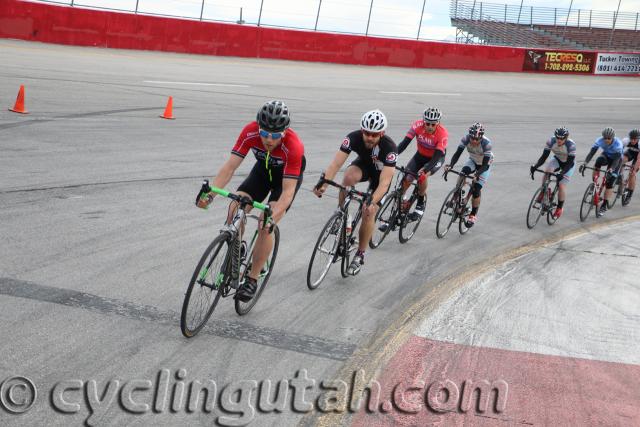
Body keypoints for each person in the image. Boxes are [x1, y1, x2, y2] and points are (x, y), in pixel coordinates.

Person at [196, 100, 305, 301]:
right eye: (264, 133)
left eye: (275, 135)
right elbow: (229, 168)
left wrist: (274, 216)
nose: (269, 140)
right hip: (262, 173)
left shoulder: (294, 147)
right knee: (235, 207)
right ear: (258, 128)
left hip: (285, 180)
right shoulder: (250, 132)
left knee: (265, 223)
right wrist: (209, 196)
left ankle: (253, 279)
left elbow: (288, 193)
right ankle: (237, 249)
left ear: (285, 132)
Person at [313, 110, 397, 276]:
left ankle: (360, 254)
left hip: (380, 179)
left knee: (369, 211)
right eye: (366, 133)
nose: (370, 138)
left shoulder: (390, 148)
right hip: (364, 166)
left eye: (374, 135)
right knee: (348, 178)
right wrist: (324, 183)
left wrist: (372, 200)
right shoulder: (353, 137)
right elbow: (335, 164)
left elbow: (385, 182)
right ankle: (341, 212)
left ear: (382, 133)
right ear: (361, 130)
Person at [396, 107, 448, 221]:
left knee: (422, 176)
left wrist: (425, 171)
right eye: (427, 123)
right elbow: (404, 143)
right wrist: (392, 155)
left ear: (438, 124)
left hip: (435, 159)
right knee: (407, 177)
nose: (430, 127)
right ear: (424, 121)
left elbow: (437, 156)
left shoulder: (442, 133)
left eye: (433, 124)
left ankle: (420, 202)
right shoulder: (417, 126)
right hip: (420, 155)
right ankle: (402, 201)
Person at [444, 122, 494, 228]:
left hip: (484, 166)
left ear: (481, 138)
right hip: (473, 160)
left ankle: (473, 215)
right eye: (473, 138)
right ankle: (456, 194)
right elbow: (457, 154)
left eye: (477, 139)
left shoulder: (486, 144)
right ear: (469, 136)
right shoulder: (465, 139)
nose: (475, 141)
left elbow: (485, 165)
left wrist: (477, 174)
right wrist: (451, 165)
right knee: (463, 172)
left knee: (476, 189)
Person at [529, 127, 577, 219]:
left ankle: (559, 207)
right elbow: (543, 157)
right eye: (557, 137)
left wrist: (562, 173)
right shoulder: (551, 141)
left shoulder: (571, 145)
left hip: (568, 165)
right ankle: (544, 191)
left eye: (562, 138)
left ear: (566, 138)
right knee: (547, 171)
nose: (559, 140)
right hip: (557, 160)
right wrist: (535, 166)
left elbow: (570, 163)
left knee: (561, 185)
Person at [579, 127, 624, 217]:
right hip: (606, 155)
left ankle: (604, 205)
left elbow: (617, 160)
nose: (606, 140)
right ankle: (595, 184)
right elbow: (591, 153)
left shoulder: (618, 144)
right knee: (598, 161)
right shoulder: (600, 140)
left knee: (609, 183)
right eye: (605, 138)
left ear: (613, 138)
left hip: (616, 160)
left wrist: (611, 169)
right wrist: (585, 163)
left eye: (609, 138)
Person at [621, 128, 639, 205]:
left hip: (638, 156)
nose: (633, 141)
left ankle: (629, 195)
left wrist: (634, 170)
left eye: (635, 139)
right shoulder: (625, 140)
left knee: (632, 174)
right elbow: (619, 152)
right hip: (631, 152)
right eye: (631, 139)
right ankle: (620, 176)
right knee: (622, 159)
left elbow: (638, 159)